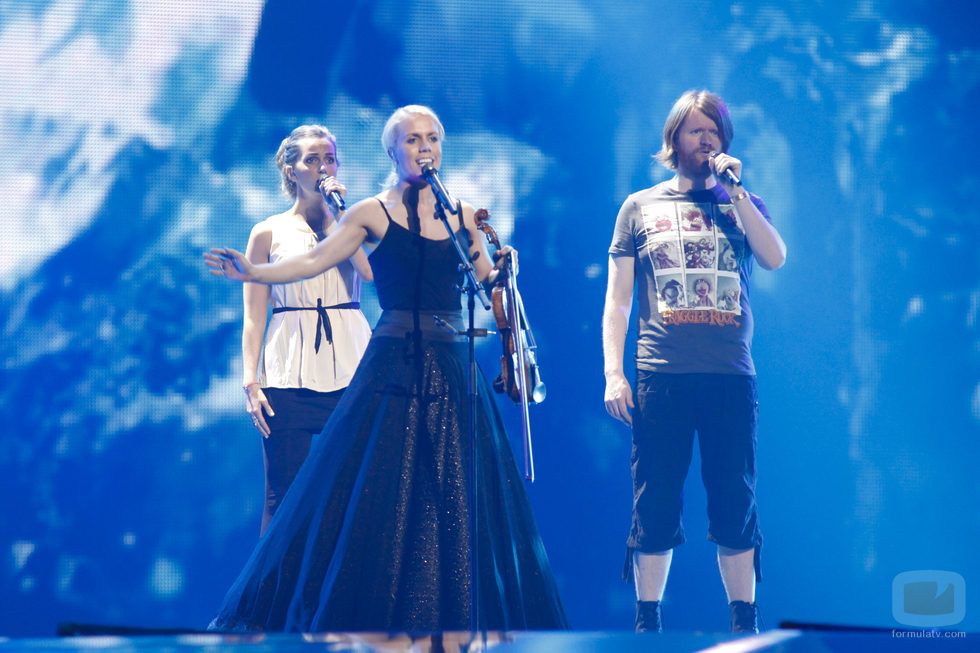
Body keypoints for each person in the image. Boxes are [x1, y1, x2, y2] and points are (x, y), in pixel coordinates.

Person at [205, 105, 567, 633]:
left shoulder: (465, 215)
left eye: (433, 139)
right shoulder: (369, 213)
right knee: (376, 491)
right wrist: (254, 271)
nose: (425, 148)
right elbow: (316, 260)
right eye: (413, 140)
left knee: (455, 491)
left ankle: (451, 616)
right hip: (391, 364)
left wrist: (504, 279)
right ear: (392, 152)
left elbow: (490, 290)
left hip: (452, 366)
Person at [602, 90, 786, 634]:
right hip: (662, 375)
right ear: (674, 139)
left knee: (735, 501)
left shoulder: (742, 204)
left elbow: (775, 257)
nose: (706, 140)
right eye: (695, 130)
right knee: (655, 500)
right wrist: (614, 373)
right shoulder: (640, 207)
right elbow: (617, 301)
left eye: (715, 132)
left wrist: (738, 195)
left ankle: (743, 623)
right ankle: (648, 623)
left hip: (730, 376)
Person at [243, 125, 373, 535]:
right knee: (282, 498)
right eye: (312, 160)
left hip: (351, 368)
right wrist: (250, 379)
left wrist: (339, 218)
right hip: (288, 370)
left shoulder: (352, 223)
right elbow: (254, 314)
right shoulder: (267, 232)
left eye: (329, 159)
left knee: (358, 492)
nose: (322, 168)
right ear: (290, 168)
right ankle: (270, 598)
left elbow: (370, 274)